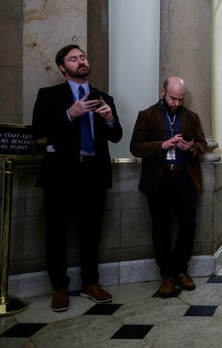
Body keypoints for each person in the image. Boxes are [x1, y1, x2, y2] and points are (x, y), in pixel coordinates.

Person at [32, 44, 123, 312]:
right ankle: (59, 287)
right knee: (57, 232)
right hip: (60, 174)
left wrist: (108, 119)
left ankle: (90, 282)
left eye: (82, 56)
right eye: (73, 59)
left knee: (91, 232)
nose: (80, 61)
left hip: (94, 174)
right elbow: (38, 130)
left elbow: (116, 135)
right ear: (63, 67)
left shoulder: (103, 97)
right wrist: (70, 114)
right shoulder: (50, 95)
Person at [130, 76, 207, 297]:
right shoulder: (146, 116)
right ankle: (167, 275)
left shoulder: (191, 117)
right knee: (161, 228)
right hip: (159, 180)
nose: (177, 103)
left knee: (188, 225)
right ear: (163, 91)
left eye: (180, 99)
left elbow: (201, 144)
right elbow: (135, 147)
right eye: (173, 98)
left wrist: (191, 148)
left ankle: (181, 270)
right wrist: (162, 145)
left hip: (185, 178)